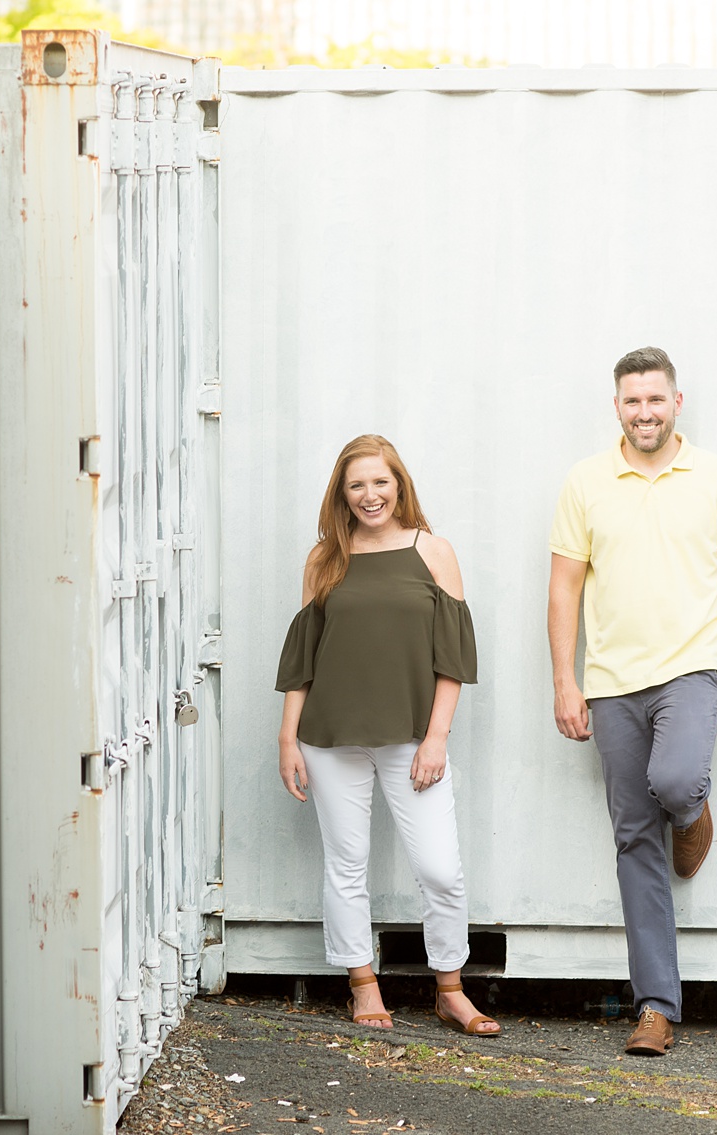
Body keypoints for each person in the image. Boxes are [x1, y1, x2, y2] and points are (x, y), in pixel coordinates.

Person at [547, 346, 717, 1056]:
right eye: (632, 400)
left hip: (694, 669)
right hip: (611, 680)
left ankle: (693, 813)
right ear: (618, 406)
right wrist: (565, 679)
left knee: (674, 779)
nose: (645, 411)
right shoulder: (586, 481)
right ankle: (655, 1006)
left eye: (656, 399)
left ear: (677, 402)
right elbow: (564, 589)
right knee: (633, 836)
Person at [275, 434, 499, 1037]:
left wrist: (436, 738)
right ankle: (362, 982)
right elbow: (304, 657)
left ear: (399, 484)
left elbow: (452, 657)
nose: (370, 495)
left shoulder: (433, 551)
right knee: (346, 864)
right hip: (329, 736)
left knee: (440, 869)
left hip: (411, 737)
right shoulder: (325, 558)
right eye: (357, 485)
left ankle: (450, 989)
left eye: (381, 482)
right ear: (341, 494)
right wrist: (288, 738)